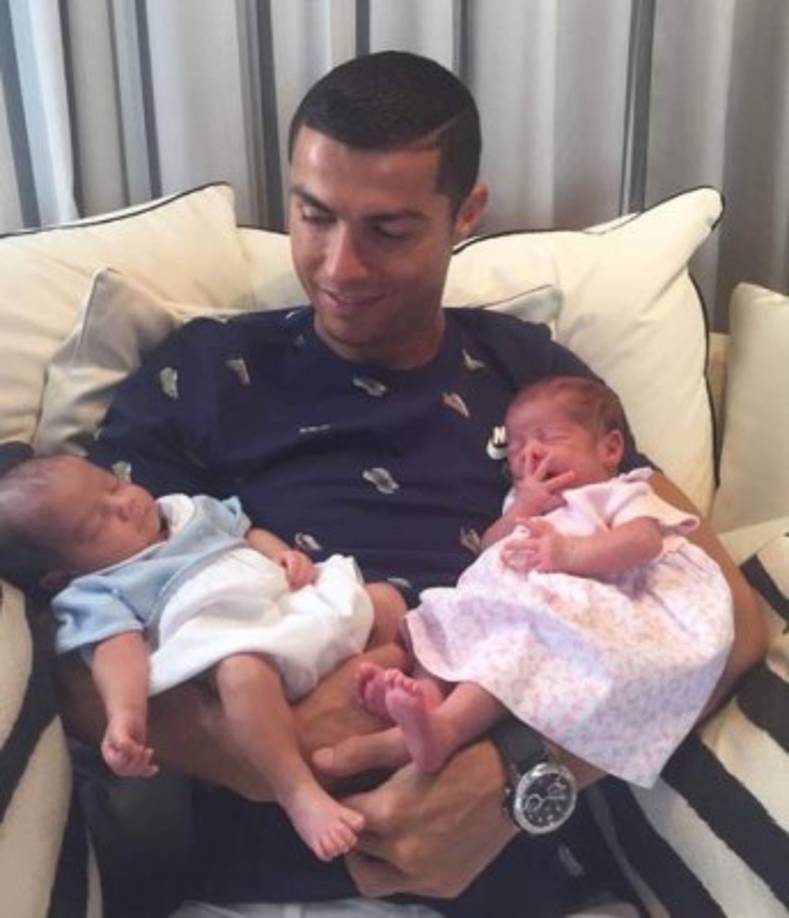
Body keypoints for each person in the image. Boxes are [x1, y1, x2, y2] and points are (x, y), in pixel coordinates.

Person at [53, 51, 764, 917]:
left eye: (388, 230)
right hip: (274, 888)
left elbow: (727, 616)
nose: (339, 268)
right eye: (314, 216)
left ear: (465, 213)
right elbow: (79, 639)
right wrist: (262, 752)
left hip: (539, 882)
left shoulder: (531, 375)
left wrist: (517, 774)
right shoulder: (203, 372)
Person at [0, 454, 404, 861]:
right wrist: (126, 715)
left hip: (296, 609)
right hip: (242, 643)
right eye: (97, 523)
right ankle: (298, 792)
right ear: (60, 574)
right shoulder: (101, 589)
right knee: (241, 677)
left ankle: (410, 699)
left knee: (383, 601)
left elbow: (247, 532)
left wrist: (283, 555)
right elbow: (116, 651)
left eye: (112, 484)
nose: (125, 503)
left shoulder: (186, 511)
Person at [354, 376, 733, 787]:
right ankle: (422, 704)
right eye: (515, 447)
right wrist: (523, 508)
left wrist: (569, 554)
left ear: (610, 449)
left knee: (516, 646)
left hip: (596, 599)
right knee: (440, 619)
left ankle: (447, 729)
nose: (529, 452)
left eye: (548, 438)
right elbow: (489, 547)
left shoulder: (618, 491)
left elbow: (641, 543)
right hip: (509, 597)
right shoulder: (523, 502)